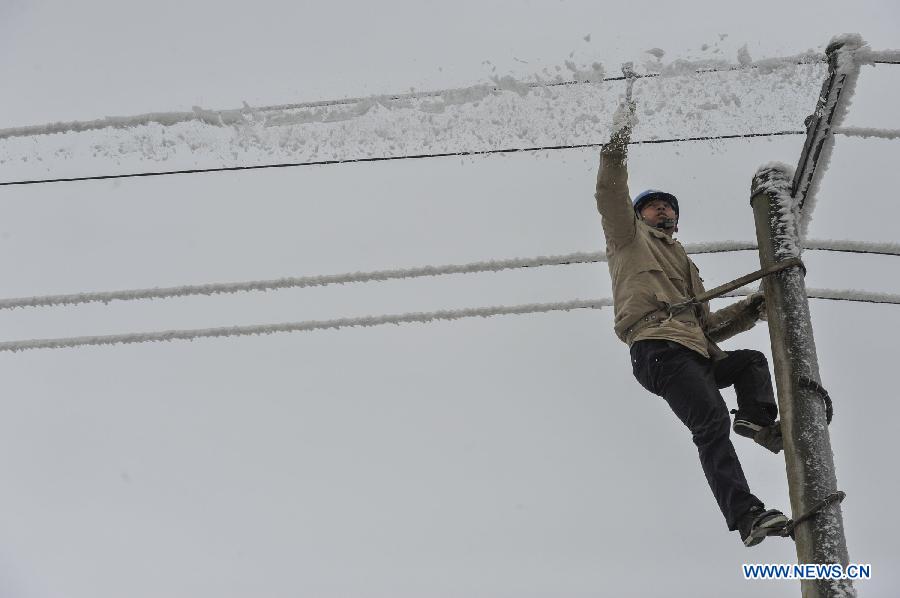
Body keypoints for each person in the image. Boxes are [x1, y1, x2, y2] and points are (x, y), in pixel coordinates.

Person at [594, 106, 788, 547]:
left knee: (750, 363)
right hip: (658, 349)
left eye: (667, 206)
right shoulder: (628, 240)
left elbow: (706, 327)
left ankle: (757, 423)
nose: (661, 210)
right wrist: (617, 145)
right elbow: (609, 193)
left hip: (694, 352)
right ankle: (746, 517)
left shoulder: (685, 262)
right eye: (652, 206)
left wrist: (754, 307)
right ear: (639, 215)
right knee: (711, 424)